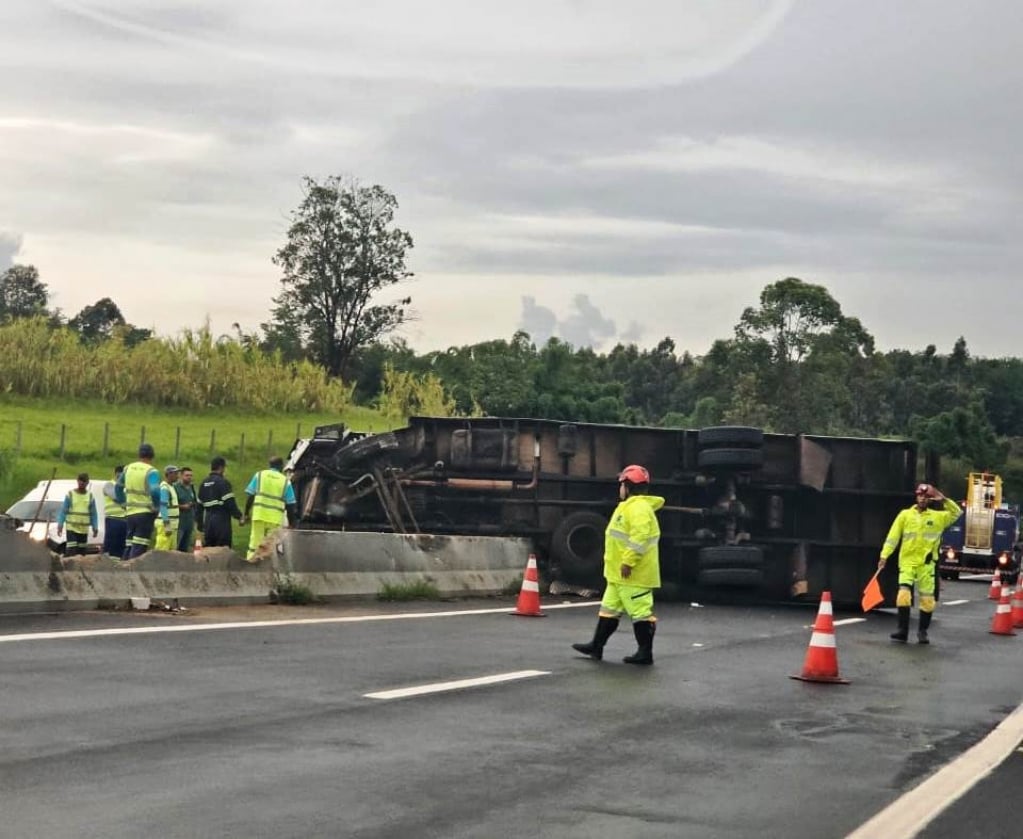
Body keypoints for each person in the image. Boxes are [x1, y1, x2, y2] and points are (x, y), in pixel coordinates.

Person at [572, 464, 664, 665]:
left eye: (621, 484)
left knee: (641, 613)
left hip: (633, 575)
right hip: (618, 575)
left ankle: (645, 653)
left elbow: (640, 537)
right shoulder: (628, 507)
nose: (619, 488)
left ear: (628, 486)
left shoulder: (638, 508)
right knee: (609, 610)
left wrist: (628, 561)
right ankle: (596, 646)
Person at [878, 482, 962, 644]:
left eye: (926, 497)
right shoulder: (905, 515)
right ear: (916, 497)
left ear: (930, 500)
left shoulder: (938, 517)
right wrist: (884, 556)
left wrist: (943, 499)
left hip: (927, 565)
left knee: (927, 600)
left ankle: (922, 632)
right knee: (903, 595)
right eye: (920, 496)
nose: (922, 499)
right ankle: (902, 631)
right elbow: (893, 537)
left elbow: (957, 513)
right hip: (908, 562)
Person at [243, 456, 298, 560]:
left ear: (270, 465)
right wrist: (291, 523)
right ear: (281, 466)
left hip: (259, 515)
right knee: (271, 545)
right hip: (275, 519)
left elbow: (250, 495)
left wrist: (246, 513)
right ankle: (267, 565)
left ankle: (250, 562)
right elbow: (290, 505)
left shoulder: (259, 475)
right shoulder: (285, 482)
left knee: (255, 542)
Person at [116, 443, 161, 559]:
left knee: (129, 545)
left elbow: (118, 487)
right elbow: (155, 491)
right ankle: (133, 572)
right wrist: (156, 507)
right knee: (139, 546)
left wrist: (123, 503)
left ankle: (123, 570)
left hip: (130, 513)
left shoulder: (128, 468)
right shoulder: (151, 471)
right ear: (152, 456)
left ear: (139, 454)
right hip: (145, 513)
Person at [197, 456, 245, 548]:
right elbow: (230, 503)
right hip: (221, 520)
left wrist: (200, 525)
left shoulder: (204, 483)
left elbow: (199, 507)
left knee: (209, 548)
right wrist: (239, 517)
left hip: (208, 520)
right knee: (223, 549)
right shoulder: (223, 482)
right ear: (221, 467)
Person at [56, 472, 98, 557]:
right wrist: (60, 525)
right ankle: (68, 568)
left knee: (81, 552)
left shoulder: (90, 496)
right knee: (71, 550)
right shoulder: (70, 494)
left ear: (87, 483)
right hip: (72, 528)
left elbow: (93, 513)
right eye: (80, 480)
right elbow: (64, 511)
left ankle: (79, 569)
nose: (82, 483)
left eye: (84, 481)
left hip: (83, 529)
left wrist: (95, 527)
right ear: (77, 481)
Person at [101, 464, 128, 558]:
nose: (120, 477)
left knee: (122, 546)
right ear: (115, 474)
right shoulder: (109, 484)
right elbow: (116, 497)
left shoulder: (126, 487)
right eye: (119, 474)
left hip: (125, 520)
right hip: (113, 519)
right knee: (110, 545)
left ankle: (118, 566)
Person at [154, 465, 180, 551]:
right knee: (162, 551)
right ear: (169, 474)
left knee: (171, 551)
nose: (178, 475)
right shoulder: (165, 487)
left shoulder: (171, 487)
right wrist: (166, 524)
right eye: (175, 473)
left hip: (173, 525)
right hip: (166, 524)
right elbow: (163, 506)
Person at [175, 466, 198, 553]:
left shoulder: (192, 488)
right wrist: (182, 506)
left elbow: (195, 502)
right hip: (180, 522)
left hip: (189, 521)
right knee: (177, 545)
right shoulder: (176, 487)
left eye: (191, 475)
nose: (189, 477)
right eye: (187, 475)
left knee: (185, 547)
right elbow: (171, 504)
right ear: (181, 476)